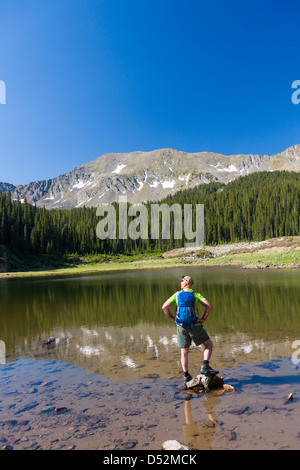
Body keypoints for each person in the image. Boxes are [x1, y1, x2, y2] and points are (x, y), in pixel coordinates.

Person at [162, 275, 218, 386]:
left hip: (181, 326)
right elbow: (208, 306)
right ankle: (205, 366)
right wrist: (203, 318)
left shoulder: (177, 295)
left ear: (186, 283)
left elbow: (164, 307)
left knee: (184, 352)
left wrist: (173, 318)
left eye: (182, 281)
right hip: (195, 325)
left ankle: (186, 376)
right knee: (208, 344)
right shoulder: (196, 295)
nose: (180, 283)